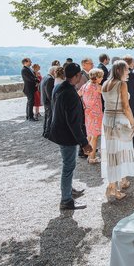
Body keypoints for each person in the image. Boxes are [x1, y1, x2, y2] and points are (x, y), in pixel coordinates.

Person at [48, 62, 91, 210]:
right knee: (68, 166)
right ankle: (66, 200)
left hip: (59, 131)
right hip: (66, 135)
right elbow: (73, 123)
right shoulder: (70, 94)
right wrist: (84, 143)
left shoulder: (59, 87)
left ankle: (68, 190)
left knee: (68, 165)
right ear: (78, 75)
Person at [101, 60, 134, 200]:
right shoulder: (122, 84)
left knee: (112, 152)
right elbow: (126, 107)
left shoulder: (105, 83)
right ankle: (112, 187)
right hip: (119, 120)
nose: (129, 72)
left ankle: (121, 180)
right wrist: (133, 122)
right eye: (127, 69)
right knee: (119, 153)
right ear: (120, 70)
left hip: (108, 120)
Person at [79, 68, 104, 164]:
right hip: (96, 114)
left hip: (88, 113)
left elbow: (78, 95)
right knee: (94, 136)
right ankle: (92, 158)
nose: (102, 78)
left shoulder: (85, 85)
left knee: (89, 135)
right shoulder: (97, 87)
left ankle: (89, 156)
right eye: (101, 76)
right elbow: (108, 94)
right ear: (96, 77)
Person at [41, 66, 57, 138]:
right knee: (50, 117)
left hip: (44, 101)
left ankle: (45, 131)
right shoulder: (50, 79)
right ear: (53, 72)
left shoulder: (45, 77)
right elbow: (50, 93)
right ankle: (47, 133)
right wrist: (53, 102)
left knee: (47, 117)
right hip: (49, 102)